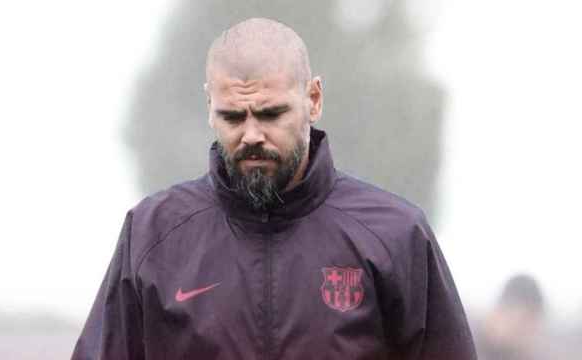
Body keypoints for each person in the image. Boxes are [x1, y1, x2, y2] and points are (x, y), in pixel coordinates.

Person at [72, 18, 476, 359]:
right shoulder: (153, 234)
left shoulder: (396, 235)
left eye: (271, 114)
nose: (251, 134)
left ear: (313, 100)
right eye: (232, 116)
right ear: (209, 106)